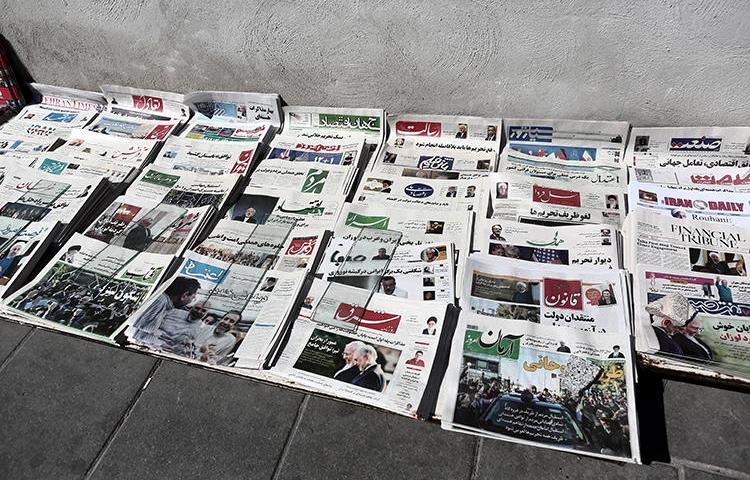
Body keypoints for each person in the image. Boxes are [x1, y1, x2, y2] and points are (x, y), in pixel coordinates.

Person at [130, 277, 200, 346]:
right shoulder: (161, 300)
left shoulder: (166, 304)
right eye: (193, 297)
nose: (191, 301)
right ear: (184, 295)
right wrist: (164, 344)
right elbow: (140, 332)